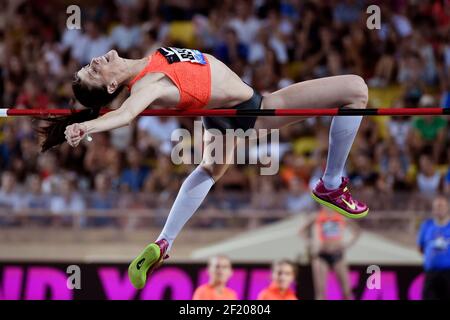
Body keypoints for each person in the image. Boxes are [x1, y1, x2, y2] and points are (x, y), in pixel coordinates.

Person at [39, 46, 369, 289]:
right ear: (112, 87)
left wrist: (84, 120)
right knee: (356, 90)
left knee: (211, 170)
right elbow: (126, 115)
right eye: (94, 72)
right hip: (252, 108)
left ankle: (165, 242)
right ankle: (330, 182)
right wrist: (88, 128)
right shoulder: (147, 84)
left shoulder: (145, 64)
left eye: (89, 65)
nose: (94, 61)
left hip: (220, 112)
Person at [299, 207, 360, 300]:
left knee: (347, 291)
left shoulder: (342, 216)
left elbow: (357, 231)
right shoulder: (316, 216)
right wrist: (312, 243)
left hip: (338, 255)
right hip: (321, 255)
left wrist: (347, 244)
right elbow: (301, 231)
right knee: (320, 292)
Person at [417, 195, 450, 300]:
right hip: (431, 274)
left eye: (442, 206)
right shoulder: (426, 225)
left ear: (447, 207)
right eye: (437, 207)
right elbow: (420, 247)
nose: (439, 209)